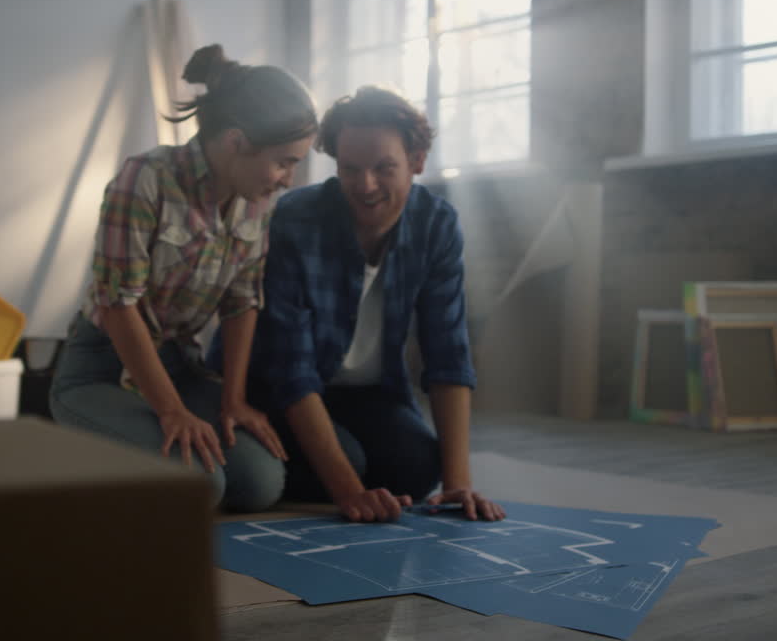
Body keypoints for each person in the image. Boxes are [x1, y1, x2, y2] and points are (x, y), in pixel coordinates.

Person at [50, 45, 317, 512]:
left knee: (259, 483)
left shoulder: (256, 198)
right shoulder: (145, 179)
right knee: (201, 484)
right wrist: (172, 412)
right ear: (235, 142)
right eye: (284, 162)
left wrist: (233, 400)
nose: (287, 180)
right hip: (102, 369)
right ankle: (82, 440)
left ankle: (141, 445)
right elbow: (118, 306)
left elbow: (241, 303)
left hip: (178, 363)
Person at [236, 85, 505, 523]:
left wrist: (458, 484)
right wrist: (350, 492)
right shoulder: (296, 220)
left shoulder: (436, 224)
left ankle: (339, 467)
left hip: (369, 394)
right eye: (350, 169)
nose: (365, 186)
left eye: (384, 169)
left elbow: (448, 353)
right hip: (280, 394)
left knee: (418, 466)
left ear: (416, 162)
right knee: (351, 467)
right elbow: (290, 371)